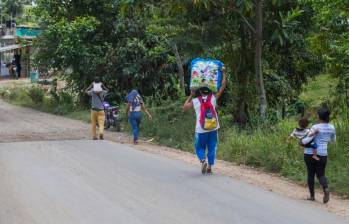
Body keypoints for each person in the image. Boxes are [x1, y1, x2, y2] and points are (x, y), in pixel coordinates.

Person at [183, 69, 227, 174]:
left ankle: (203, 160)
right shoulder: (213, 98)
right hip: (213, 127)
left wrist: (191, 95)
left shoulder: (195, 100)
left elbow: (184, 107)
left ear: (199, 91)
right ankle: (210, 168)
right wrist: (224, 72)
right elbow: (223, 86)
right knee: (212, 147)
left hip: (200, 129)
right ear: (209, 90)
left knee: (199, 147)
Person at [301, 108, 336, 203]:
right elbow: (333, 140)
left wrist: (302, 141)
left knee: (310, 174)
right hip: (323, 154)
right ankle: (326, 188)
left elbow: (306, 140)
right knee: (321, 174)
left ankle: (312, 196)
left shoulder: (315, 127)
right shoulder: (332, 127)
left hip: (309, 153)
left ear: (319, 117)